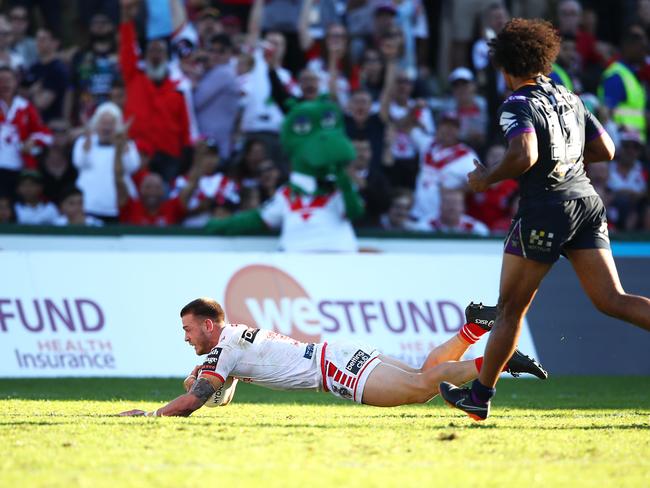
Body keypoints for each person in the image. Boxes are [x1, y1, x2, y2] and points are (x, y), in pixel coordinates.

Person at [439, 18, 650, 422]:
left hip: (546, 210)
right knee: (613, 300)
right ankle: (478, 395)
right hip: (587, 202)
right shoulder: (571, 97)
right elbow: (604, 149)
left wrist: (486, 178)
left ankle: (480, 397)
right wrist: (567, 159)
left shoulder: (517, 104)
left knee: (509, 311)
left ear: (505, 68)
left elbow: (525, 155)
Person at [118, 297, 547, 417]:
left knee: (420, 389)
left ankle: (501, 359)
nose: (186, 337)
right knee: (422, 375)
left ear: (209, 325)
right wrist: (208, 382)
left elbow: (194, 403)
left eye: (189, 329)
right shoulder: (229, 343)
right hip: (336, 353)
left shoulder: (223, 348)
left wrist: (153, 415)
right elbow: (219, 397)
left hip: (335, 369)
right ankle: (473, 328)